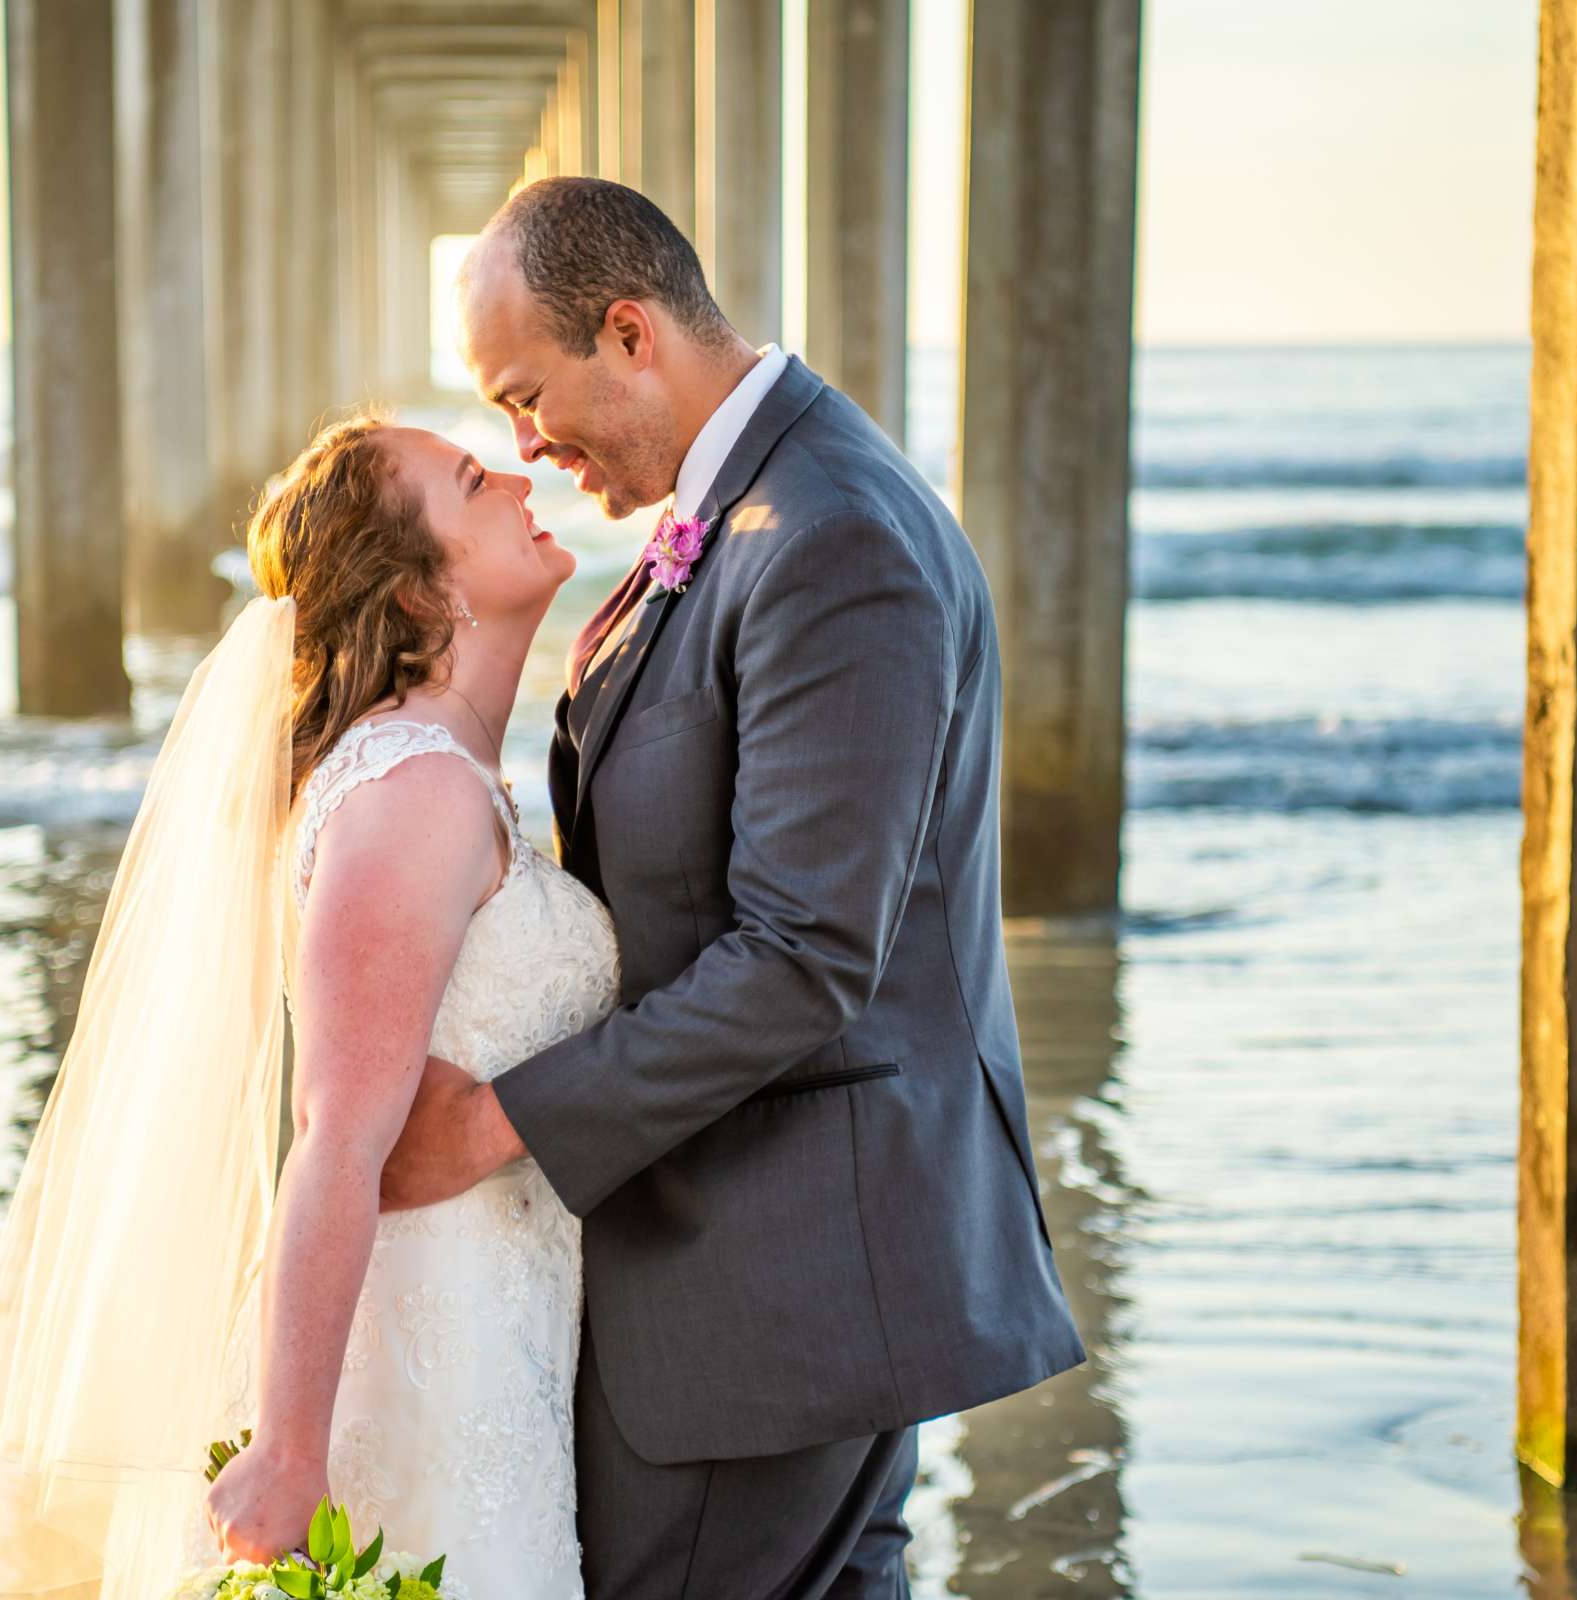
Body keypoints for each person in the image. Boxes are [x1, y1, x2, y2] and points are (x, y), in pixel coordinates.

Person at [378, 176, 1087, 1597]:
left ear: (630, 335)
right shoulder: (753, 511)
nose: (523, 444)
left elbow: (808, 957)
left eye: (529, 396)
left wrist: (497, 1125)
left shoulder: (833, 541)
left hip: (782, 1280)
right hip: (764, 1270)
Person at [0, 413, 615, 1600]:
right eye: (475, 482)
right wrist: (289, 1449)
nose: (520, 476)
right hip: (426, 1372)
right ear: (422, 593)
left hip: (496, 1348)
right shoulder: (413, 789)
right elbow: (337, 1133)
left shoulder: (444, 775)